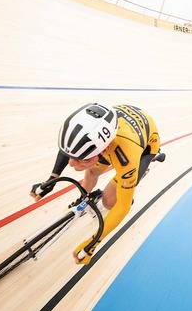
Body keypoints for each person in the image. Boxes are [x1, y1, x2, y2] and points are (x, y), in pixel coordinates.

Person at [30, 103, 164, 264]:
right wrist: (52, 179)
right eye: (72, 157)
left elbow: (123, 207)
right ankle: (84, 198)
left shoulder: (127, 157)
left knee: (109, 202)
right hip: (118, 130)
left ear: (100, 151)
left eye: (81, 158)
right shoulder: (90, 136)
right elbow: (70, 148)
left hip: (144, 146)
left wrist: (94, 242)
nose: (71, 163)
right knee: (92, 171)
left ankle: (144, 169)